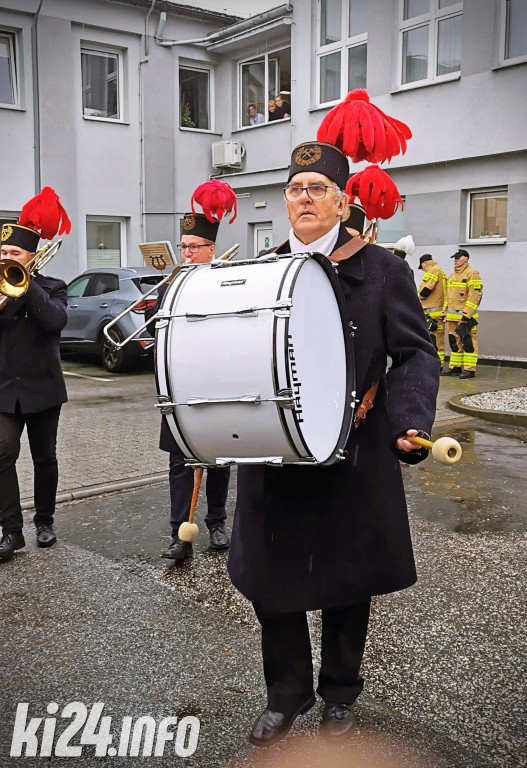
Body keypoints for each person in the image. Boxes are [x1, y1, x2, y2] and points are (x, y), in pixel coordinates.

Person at [227, 139, 440, 746]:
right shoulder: (261, 268)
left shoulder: (383, 270)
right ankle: (285, 694)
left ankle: (340, 693)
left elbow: (415, 354)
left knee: (349, 581)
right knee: (275, 580)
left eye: (317, 189)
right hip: (278, 455)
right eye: (295, 190)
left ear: (343, 202)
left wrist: (410, 420)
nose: (303, 199)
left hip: (356, 452)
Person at [147, 181, 238, 561]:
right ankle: (178, 535)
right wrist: (162, 296)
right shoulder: (172, 284)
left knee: (217, 459)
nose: (185, 252)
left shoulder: (229, 280)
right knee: (179, 462)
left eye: (193, 247)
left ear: (211, 249)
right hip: (178, 386)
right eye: (182, 247)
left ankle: (216, 522)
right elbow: (154, 327)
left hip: (216, 383)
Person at [0, 188, 71, 562]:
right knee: (2, 455)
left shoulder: (52, 287)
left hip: (43, 388)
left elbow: (55, 322)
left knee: (45, 458)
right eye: (3, 253)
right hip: (4, 390)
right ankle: (11, 531)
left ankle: (44, 521)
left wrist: (25, 288)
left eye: (14, 254)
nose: (6, 257)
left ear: (31, 256)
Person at [441, 248, 482, 379]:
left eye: (458, 258)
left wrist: (466, 315)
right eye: (455, 258)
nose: (455, 260)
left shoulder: (472, 274)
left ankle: (469, 370)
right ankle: (455, 367)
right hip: (452, 317)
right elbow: (447, 297)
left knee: (468, 342)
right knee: (454, 342)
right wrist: (444, 313)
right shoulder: (452, 276)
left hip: (465, 318)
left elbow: (475, 296)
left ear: (465, 259)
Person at [418, 253, 446, 367]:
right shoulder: (439, 270)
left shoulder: (433, 271)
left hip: (433, 313)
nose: (423, 269)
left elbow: (425, 290)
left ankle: (436, 365)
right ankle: (436, 364)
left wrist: (416, 296)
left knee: (435, 340)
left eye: (422, 267)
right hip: (436, 313)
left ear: (424, 263)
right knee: (436, 340)